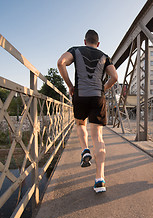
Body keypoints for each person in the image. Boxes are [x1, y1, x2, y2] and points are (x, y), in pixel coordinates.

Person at [57, 29, 118, 193]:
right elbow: (115, 77)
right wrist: (103, 88)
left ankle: (84, 150)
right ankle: (100, 180)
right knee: (98, 137)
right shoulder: (104, 55)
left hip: (80, 94)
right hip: (97, 96)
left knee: (80, 124)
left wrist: (70, 86)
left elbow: (61, 62)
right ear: (98, 44)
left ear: (85, 41)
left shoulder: (75, 50)